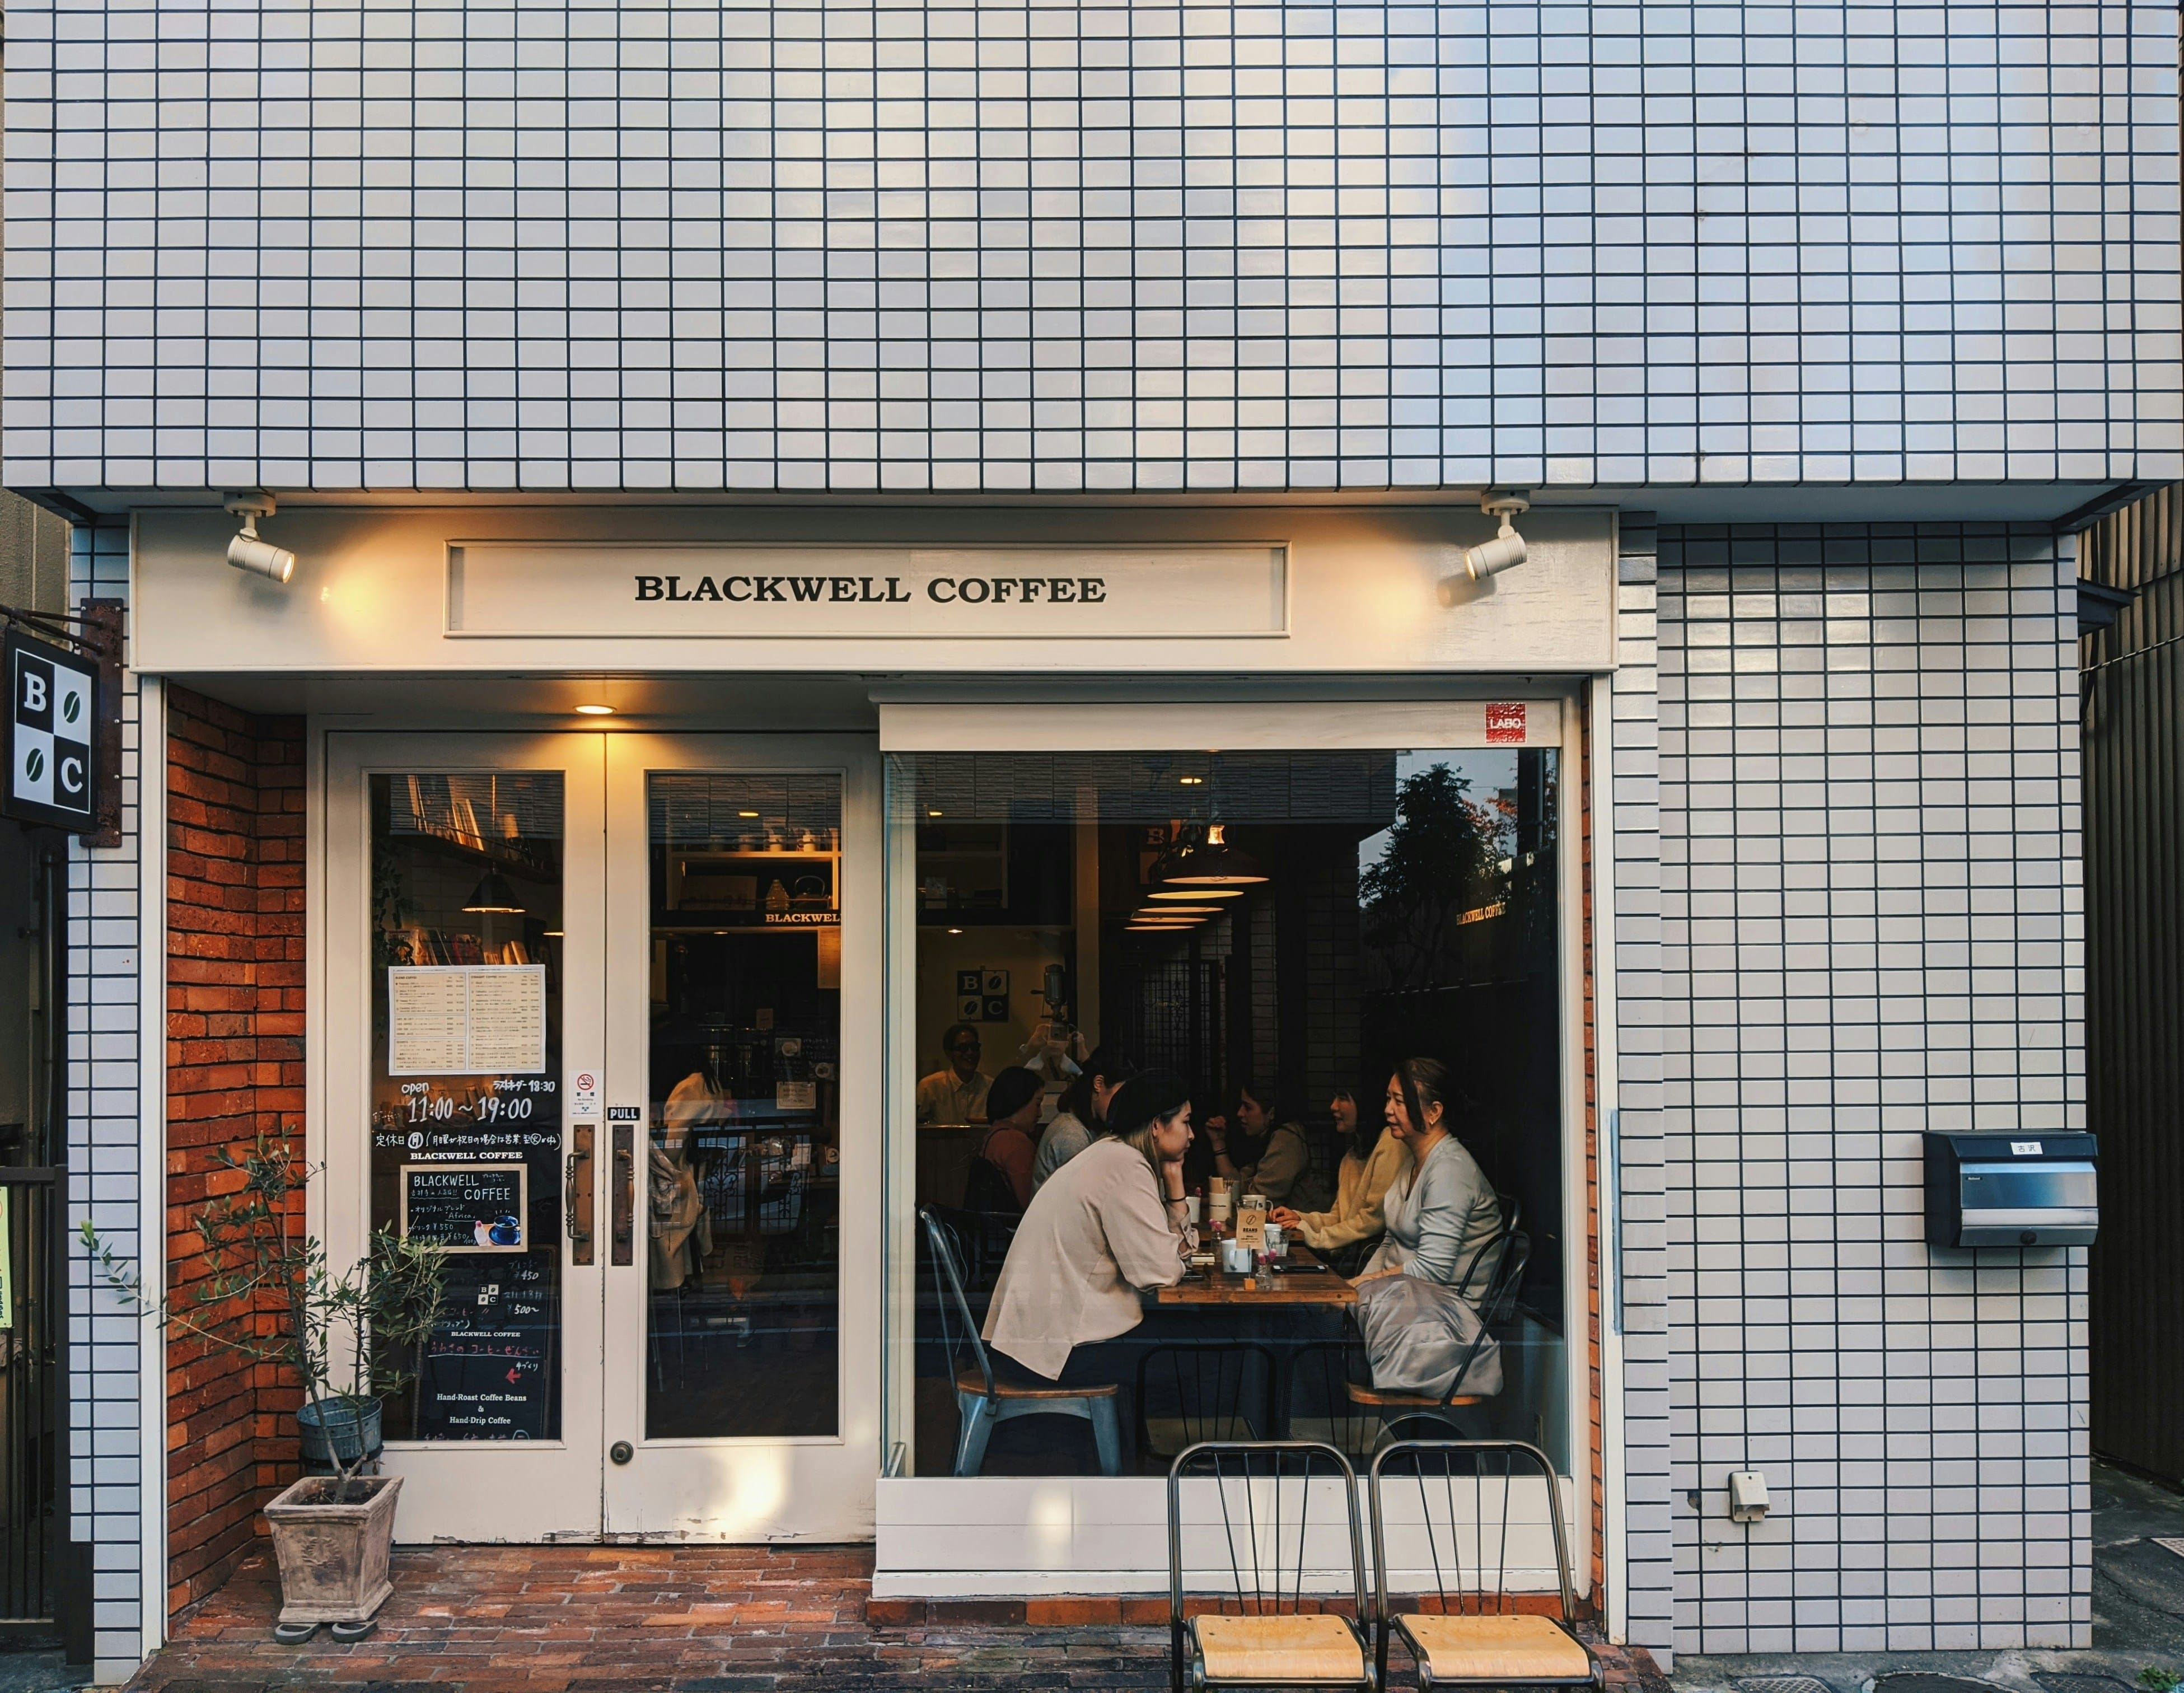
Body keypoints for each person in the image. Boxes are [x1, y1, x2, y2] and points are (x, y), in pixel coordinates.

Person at [982, 1069, 1195, 1383]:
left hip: (1026, 1342)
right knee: (1185, 1352)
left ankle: (1134, 1432)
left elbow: (1162, 1260)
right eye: (1186, 1122)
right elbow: (1161, 1273)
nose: (1192, 1135)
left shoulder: (1108, 1154)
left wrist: (1173, 1179)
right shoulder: (1126, 1167)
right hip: (1054, 1351)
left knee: (1170, 1347)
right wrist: (1177, 1194)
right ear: (1156, 1126)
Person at [1355, 1058, 1502, 1294]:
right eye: (1388, 1098)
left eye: (1400, 1102)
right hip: (1400, 1293)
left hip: (1439, 1308)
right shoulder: (1412, 1161)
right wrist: (1354, 1290)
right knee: (1324, 1310)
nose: (1388, 1109)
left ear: (1434, 1112)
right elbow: (1390, 1243)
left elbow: (1433, 1270)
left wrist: (1364, 1285)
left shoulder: (1450, 1171)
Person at [1270, 1086, 1411, 1256]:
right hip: (1349, 1259)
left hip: (1373, 1260)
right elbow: (1339, 1218)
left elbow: (1373, 1220)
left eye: (1343, 1098)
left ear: (1364, 1103)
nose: (1333, 1106)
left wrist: (1315, 1237)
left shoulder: (1392, 1143)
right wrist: (1299, 1218)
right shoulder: (1352, 1157)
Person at [1200, 1081, 1329, 1211]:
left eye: (1248, 1107)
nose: (1240, 1113)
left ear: (1271, 1114)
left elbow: (1256, 1200)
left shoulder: (1287, 1139)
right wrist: (1218, 1143)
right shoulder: (1265, 1137)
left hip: (1299, 1226)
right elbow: (1235, 1188)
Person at [1030, 1045, 1139, 1193]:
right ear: (1098, 1084)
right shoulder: (1071, 1135)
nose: (1124, 1104)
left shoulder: (1083, 1125)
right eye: (1121, 1095)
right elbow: (1089, 1195)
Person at [970, 1065, 1045, 1212]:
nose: (1040, 1113)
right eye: (1037, 1104)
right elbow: (1031, 1204)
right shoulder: (1014, 1141)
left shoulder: (995, 1134)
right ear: (1020, 1100)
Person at [916, 1023, 991, 1126]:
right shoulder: (930, 1087)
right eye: (963, 1048)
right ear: (949, 1054)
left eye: (974, 1047)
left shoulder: (991, 1087)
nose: (970, 1053)